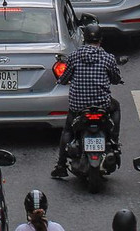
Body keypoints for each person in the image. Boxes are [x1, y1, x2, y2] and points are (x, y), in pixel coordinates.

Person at [52, 22, 122, 179]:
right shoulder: (107, 58)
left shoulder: (74, 56)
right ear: (100, 40)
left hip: (78, 106)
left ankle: (61, 165)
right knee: (116, 107)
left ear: (84, 39)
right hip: (103, 106)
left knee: (68, 131)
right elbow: (116, 78)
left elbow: (64, 79)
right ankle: (115, 140)